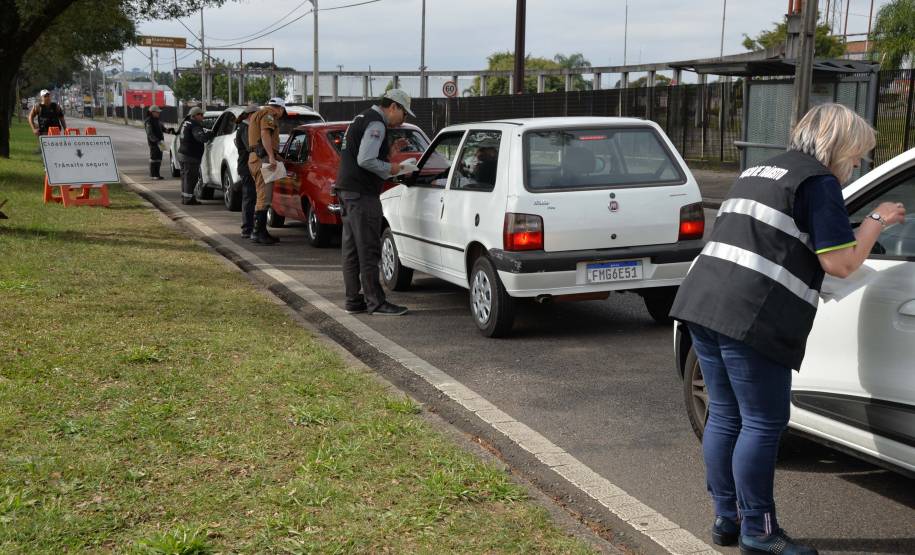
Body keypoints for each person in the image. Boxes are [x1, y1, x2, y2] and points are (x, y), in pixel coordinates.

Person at [669, 103, 905, 555]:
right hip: (750, 315)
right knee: (762, 421)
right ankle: (758, 531)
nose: (857, 166)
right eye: (857, 156)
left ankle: (727, 519)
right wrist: (877, 221)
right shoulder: (818, 182)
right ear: (839, 146)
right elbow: (841, 263)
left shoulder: (762, 170)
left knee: (724, 414)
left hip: (701, 301)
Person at [335, 89, 417, 316]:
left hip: (347, 190)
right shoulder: (376, 124)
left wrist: (389, 152)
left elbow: (360, 154)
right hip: (362, 194)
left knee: (351, 250)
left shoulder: (360, 118)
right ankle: (376, 302)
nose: (404, 120)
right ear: (394, 107)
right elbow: (366, 159)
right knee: (369, 249)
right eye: (404, 114)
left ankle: (353, 300)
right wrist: (393, 168)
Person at [246, 98, 286, 245]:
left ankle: (261, 231)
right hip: (262, 158)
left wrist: (276, 156)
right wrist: (271, 156)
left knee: (262, 195)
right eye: (282, 111)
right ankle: (258, 233)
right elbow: (265, 134)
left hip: (256, 158)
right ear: (280, 108)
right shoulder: (269, 115)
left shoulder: (258, 113)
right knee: (265, 196)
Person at [177, 107, 213, 205]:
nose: (202, 117)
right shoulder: (194, 125)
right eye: (200, 115)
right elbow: (200, 137)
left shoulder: (186, 123)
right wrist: (210, 135)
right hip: (190, 155)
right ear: (195, 115)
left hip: (182, 153)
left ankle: (185, 197)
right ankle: (188, 199)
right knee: (191, 178)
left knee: (185, 177)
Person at [234, 104, 259, 238]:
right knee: (249, 197)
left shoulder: (247, 127)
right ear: (251, 115)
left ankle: (250, 227)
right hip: (246, 167)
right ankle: (247, 229)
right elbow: (250, 147)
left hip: (249, 166)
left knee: (252, 197)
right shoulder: (245, 128)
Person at [144, 105, 176, 180]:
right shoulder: (148, 121)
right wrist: (156, 141)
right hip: (154, 143)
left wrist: (169, 130)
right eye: (157, 112)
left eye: (159, 112)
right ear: (152, 112)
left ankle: (157, 174)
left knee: (159, 158)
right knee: (154, 158)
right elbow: (150, 134)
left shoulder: (157, 120)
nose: (159, 113)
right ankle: (153, 175)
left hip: (161, 142)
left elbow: (163, 129)